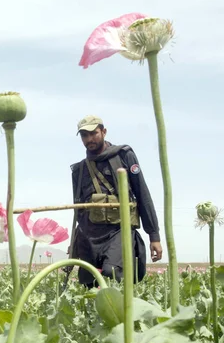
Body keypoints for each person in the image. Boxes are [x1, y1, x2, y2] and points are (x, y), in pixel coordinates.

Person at [68, 115, 163, 287]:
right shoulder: (79, 170)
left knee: (113, 274)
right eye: (84, 135)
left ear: (104, 132)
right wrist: (74, 242)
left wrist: (153, 235)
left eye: (94, 133)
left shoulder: (123, 156)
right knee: (89, 285)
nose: (89, 139)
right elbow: (78, 210)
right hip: (89, 236)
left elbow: (142, 194)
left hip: (118, 232)